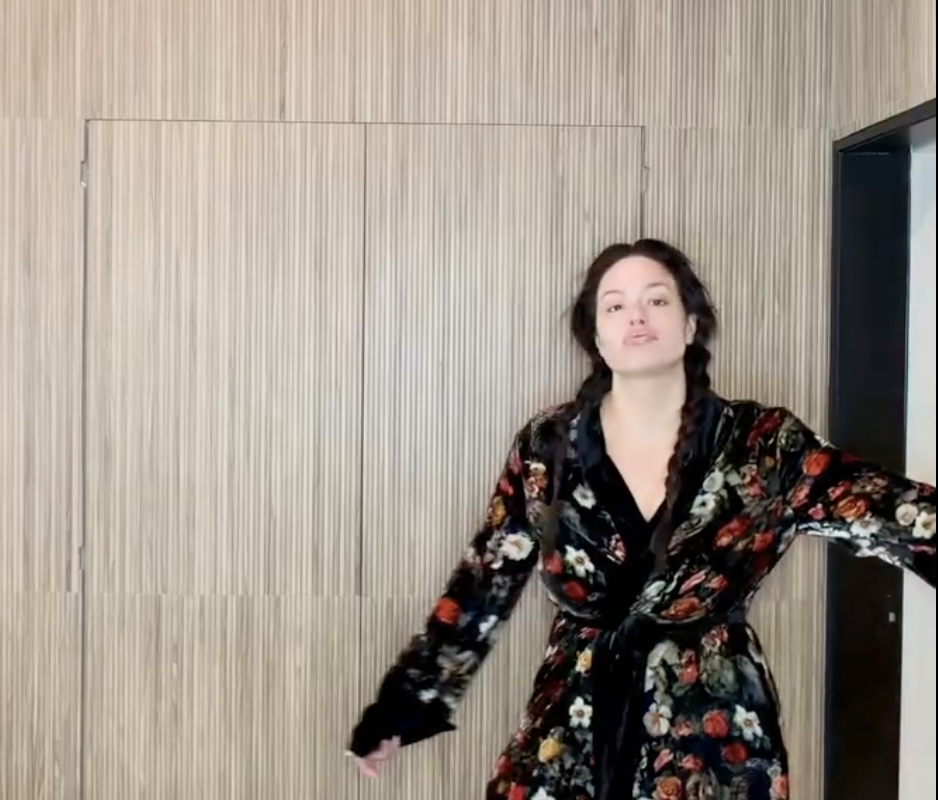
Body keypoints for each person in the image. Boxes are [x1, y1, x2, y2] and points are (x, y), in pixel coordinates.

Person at [346, 238, 937, 800]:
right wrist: (404, 705)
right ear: (596, 336)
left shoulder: (764, 444)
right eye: (615, 305)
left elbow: (891, 510)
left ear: (689, 324)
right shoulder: (549, 446)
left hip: (713, 737)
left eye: (657, 299)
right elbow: (485, 579)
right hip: (572, 724)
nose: (636, 316)